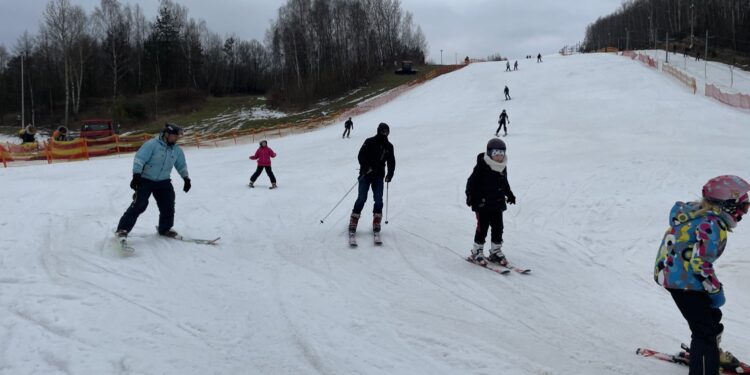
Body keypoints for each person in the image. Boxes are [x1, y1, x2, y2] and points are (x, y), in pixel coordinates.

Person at [654, 175, 750, 374]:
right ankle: (705, 360)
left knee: (712, 318)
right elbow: (700, 264)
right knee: (704, 332)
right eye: (743, 207)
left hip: (675, 275)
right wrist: (716, 291)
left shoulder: (695, 214)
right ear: (728, 205)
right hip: (682, 282)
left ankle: (709, 353)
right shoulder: (713, 226)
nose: (743, 213)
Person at [116, 123, 190, 239]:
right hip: (146, 180)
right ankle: (122, 229)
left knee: (168, 205)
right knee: (139, 205)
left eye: (177, 137)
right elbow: (139, 159)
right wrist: (136, 175)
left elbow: (181, 165)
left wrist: (186, 178)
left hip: (164, 181)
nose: (175, 139)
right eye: (173, 136)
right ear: (166, 134)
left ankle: (165, 228)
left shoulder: (176, 150)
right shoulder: (152, 145)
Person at [466, 138, 515, 265]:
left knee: (498, 227)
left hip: (497, 203)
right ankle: (477, 251)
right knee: (483, 228)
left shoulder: (502, 167)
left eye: (501, 154)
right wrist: (470, 195)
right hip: (482, 203)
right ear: (489, 153)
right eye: (495, 154)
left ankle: (495, 251)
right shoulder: (482, 166)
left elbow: (504, 183)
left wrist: (509, 194)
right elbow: (471, 181)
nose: (499, 157)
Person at [349, 123, 395, 236]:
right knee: (362, 198)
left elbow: (391, 162)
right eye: (383, 131)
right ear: (379, 131)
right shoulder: (369, 141)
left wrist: (390, 174)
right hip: (366, 174)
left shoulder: (389, 146)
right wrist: (366, 167)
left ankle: (376, 221)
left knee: (378, 199)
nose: (385, 133)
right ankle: (354, 220)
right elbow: (361, 155)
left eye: (387, 131)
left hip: (379, 176)